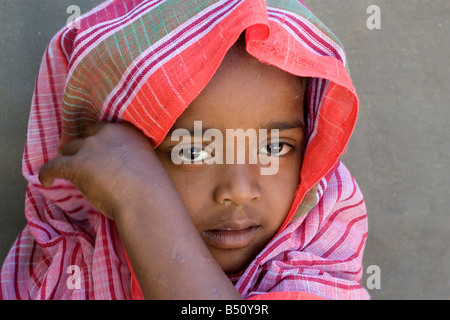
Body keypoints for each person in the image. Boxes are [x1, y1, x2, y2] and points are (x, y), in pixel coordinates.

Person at [0, 0, 369, 300]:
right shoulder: (69, 267)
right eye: (192, 153)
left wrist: (142, 203)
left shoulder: (318, 255)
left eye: (274, 147)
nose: (239, 190)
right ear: (108, 168)